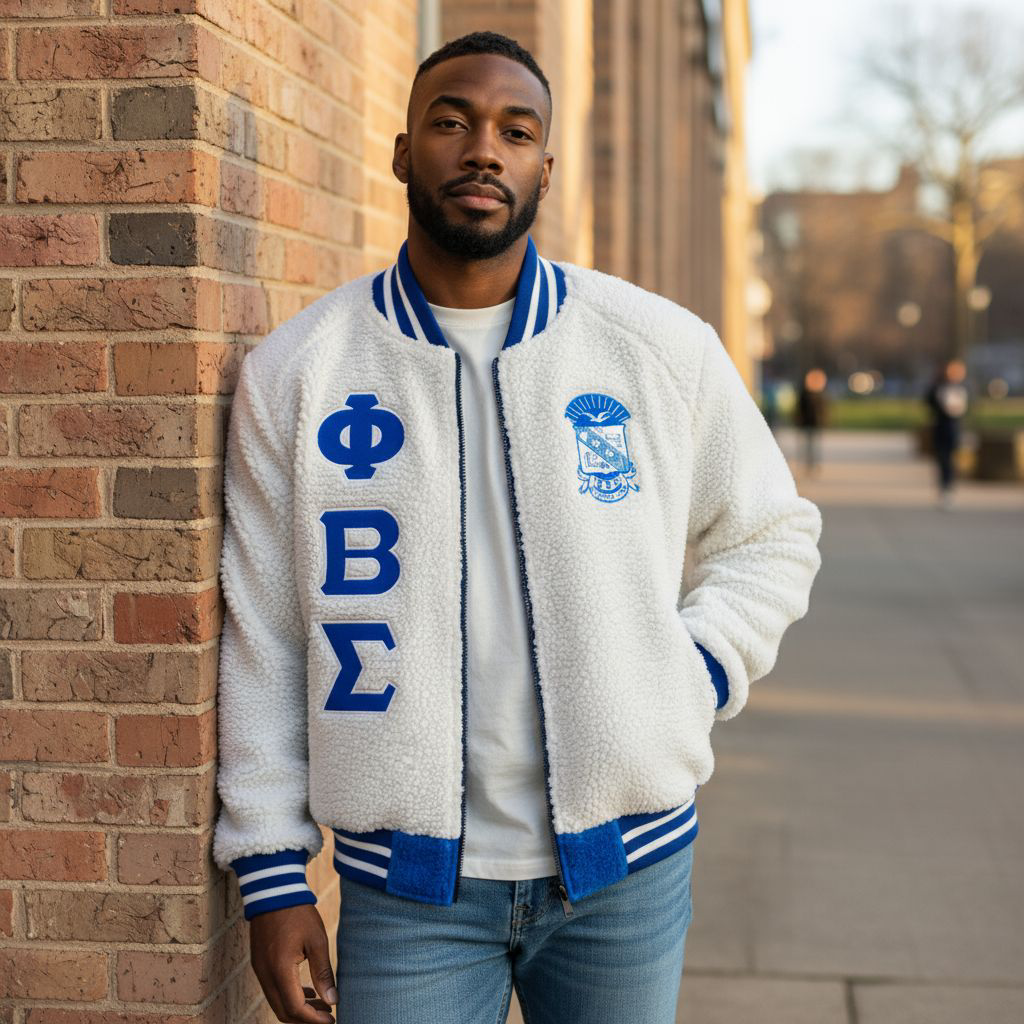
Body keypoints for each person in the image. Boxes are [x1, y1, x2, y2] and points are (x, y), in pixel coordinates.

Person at [212, 31, 823, 1024]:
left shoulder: (655, 348)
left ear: (545, 166)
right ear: (403, 151)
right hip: (408, 892)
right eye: (450, 121)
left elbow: (770, 533)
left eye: (515, 129)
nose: (482, 149)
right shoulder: (302, 372)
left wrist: (690, 677)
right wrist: (274, 876)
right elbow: (267, 642)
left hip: (624, 872)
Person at [924, 358, 969, 508]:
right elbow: (928, 402)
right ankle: (945, 487)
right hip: (941, 429)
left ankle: (949, 487)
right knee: (943, 459)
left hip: (956, 430)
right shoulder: (938, 386)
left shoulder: (965, 387)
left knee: (952, 460)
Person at [794, 367, 829, 475]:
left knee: (815, 446)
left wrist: (824, 420)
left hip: (816, 423)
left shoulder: (820, 394)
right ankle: (806, 464)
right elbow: (799, 409)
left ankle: (814, 464)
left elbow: (823, 409)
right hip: (806, 423)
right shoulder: (804, 393)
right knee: (805, 445)